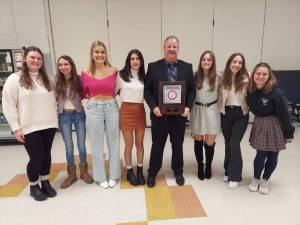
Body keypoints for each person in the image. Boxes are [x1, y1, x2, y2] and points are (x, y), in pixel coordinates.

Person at [2, 46, 58, 201]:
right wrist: (16, 128)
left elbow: (55, 98)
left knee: (46, 155)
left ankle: (45, 182)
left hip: (49, 124)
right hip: (28, 126)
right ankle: (34, 186)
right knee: (37, 156)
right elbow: (8, 104)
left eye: (39, 58)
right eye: (32, 57)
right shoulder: (15, 79)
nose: (36, 60)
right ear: (25, 59)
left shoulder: (48, 78)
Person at [144, 35, 196, 187]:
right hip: (159, 116)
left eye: (175, 47)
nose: (172, 49)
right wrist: (154, 107)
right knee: (157, 144)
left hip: (179, 116)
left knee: (178, 145)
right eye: (169, 46)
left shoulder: (187, 67)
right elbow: (147, 91)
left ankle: (178, 171)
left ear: (178, 49)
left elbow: (192, 91)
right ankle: (152, 172)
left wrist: (188, 107)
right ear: (164, 48)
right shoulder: (153, 67)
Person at [247, 62, 295, 194]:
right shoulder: (250, 90)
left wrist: (288, 132)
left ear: (269, 76)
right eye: (258, 73)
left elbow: (285, 114)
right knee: (261, 154)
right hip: (260, 124)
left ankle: (265, 179)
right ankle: (256, 178)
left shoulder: (276, 93)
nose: (261, 76)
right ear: (253, 75)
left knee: (273, 155)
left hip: (275, 125)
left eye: (264, 74)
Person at [81, 41, 120, 189]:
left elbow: (118, 89)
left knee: (114, 144)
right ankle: (100, 177)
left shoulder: (113, 70)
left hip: (111, 108)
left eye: (102, 52)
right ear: (92, 54)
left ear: (106, 54)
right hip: (94, 109)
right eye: (97, 52)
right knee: (96, 145)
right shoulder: (85, 72)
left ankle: (114, 175)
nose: (100, 55)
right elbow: (83, 93)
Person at [56, 55, 94, 189]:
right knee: (69, 147)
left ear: (71, 65)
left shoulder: (79, 79)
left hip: (79, 114)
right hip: (63, 116)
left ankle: (84, 172)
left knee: (81, 145)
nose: (63, 67)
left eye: (66, 64)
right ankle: (71, 174)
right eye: (60, 65)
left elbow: (87, 92)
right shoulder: (56, 81)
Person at [115, 49, 146, 186]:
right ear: (128, 61)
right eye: (132, 59)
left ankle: (139, 170)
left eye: (138, 58)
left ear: (141, 61)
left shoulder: (144, 76)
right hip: (126, 111)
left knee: (139, 144)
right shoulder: (120, 75)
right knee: (129, 144)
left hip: (140, 111)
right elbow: (113, 92)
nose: (135, 61)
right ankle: (129, 171)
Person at [219, 52, 249, 189]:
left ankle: (236, 176)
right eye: (234, 62)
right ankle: (227, 170)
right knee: (227, 143)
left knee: (234, 143)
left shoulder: (247, 78)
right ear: (229, 63)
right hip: (226, 113)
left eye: (239, 62)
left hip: (240, 114)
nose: (236, 65)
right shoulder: (222, 77)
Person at [190, 50, 221, 180]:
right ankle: (200, 166)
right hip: (197, 109)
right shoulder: (194, 76)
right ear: (200, 62)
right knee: (198, 140)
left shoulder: (219, 77)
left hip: (212, 110)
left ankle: (208, 165)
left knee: (209, 142)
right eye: (204, 59)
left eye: (209, 60)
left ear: (212, 62)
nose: (206, 62)